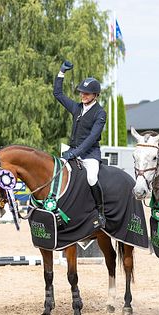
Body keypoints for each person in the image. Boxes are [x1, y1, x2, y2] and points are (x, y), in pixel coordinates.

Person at [54, 60, 107, 227]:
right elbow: (58, 94)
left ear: (95, 95)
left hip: (90, 154)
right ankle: (57, 209)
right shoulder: (77, 108)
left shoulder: (100, 113)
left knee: (91, 178)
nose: (83, 96)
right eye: (81, 93)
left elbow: (92, 138)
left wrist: (75, 153)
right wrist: (61, 73)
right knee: (57, 172)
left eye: (87, 94)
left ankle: (100, 212)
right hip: (73, 150)